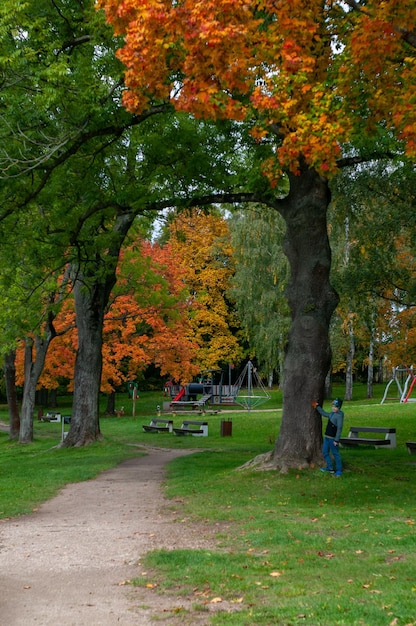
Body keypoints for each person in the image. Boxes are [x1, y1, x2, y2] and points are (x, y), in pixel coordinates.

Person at [312, 398, 344, 477]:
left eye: (336, 407)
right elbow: (324, 413)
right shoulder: (332, 414)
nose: (334, 408)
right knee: (325, 452)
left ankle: (339, 470)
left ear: (339, 408)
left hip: (333, 439)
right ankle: (330, 468)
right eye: (333, 406)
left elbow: (339, 428)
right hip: (326, 437)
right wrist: (317, 406)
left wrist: (336, 440)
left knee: (335, 454)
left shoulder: (339, 416)